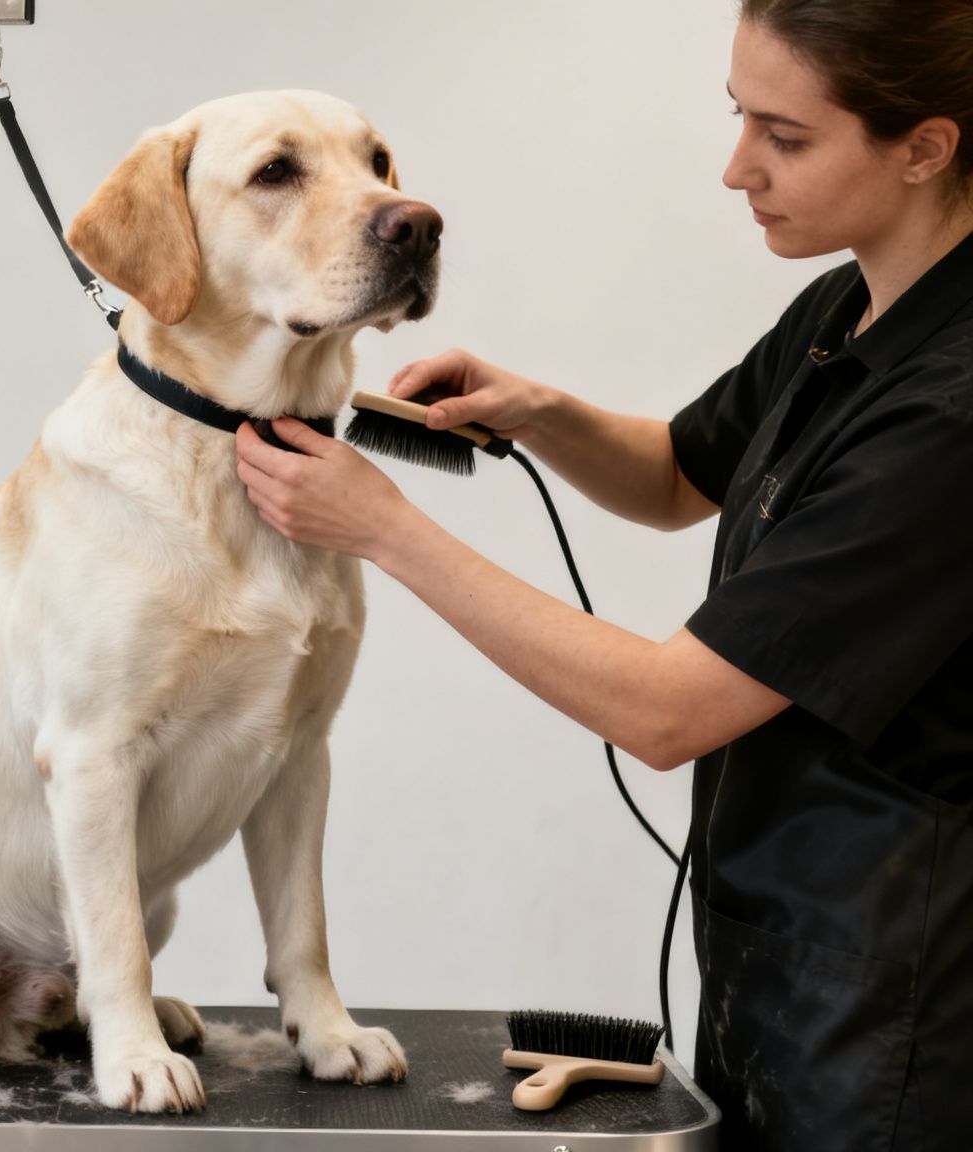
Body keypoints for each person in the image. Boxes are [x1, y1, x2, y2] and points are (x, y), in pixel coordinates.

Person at [232, 3, 973, 1149]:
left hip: (895, 1028)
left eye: (782, 138)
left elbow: (664, 710)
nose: (736, 169)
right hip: (779, 964)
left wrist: (385, 529)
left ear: (922, 147)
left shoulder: (949, 416)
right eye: (739, 120)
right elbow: (681, 474)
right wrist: (540, 412)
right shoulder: (851, 303)